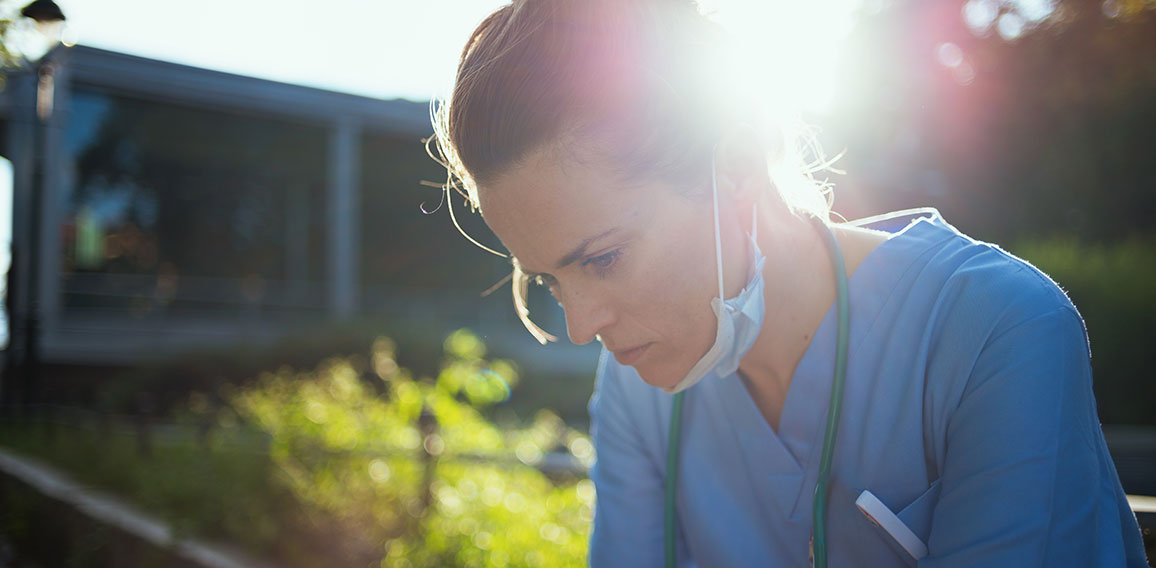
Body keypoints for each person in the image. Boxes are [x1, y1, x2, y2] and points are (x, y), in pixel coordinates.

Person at [429, 0, 1149, 566]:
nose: (580, 325)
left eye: (604, 258)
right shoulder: (638, 392)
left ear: (735, 169)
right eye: (549, 280)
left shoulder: (997, 333)